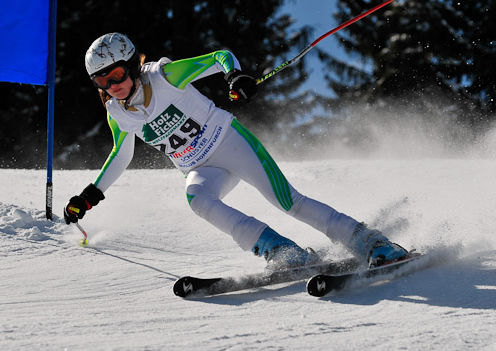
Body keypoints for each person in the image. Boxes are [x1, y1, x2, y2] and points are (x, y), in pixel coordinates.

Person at [63, 32, 408, 270]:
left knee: (288, 201)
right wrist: (90, 196)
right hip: (201, 168)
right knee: (198, 200)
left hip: (229, 143)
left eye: (118, 74)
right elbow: (121, 154)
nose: (113, 85)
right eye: (102, 81)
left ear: (132, 66)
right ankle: (283, 251)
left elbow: (219, 57)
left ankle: (374, 243)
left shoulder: (165, 76)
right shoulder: (118, 112)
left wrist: (234, 77)